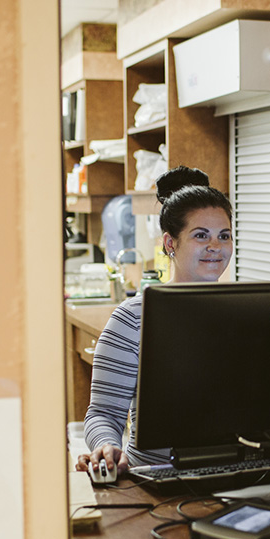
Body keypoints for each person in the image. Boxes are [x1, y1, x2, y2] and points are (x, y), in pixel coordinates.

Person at [76, 166, 233, 473]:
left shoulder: (248, 312)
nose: (215, 246)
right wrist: (107, 447)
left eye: (224, 236)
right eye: (201, 235)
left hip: (242, 473)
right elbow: (103, 413)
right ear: (171, 243)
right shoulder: (133, 320)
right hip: (159, 479)